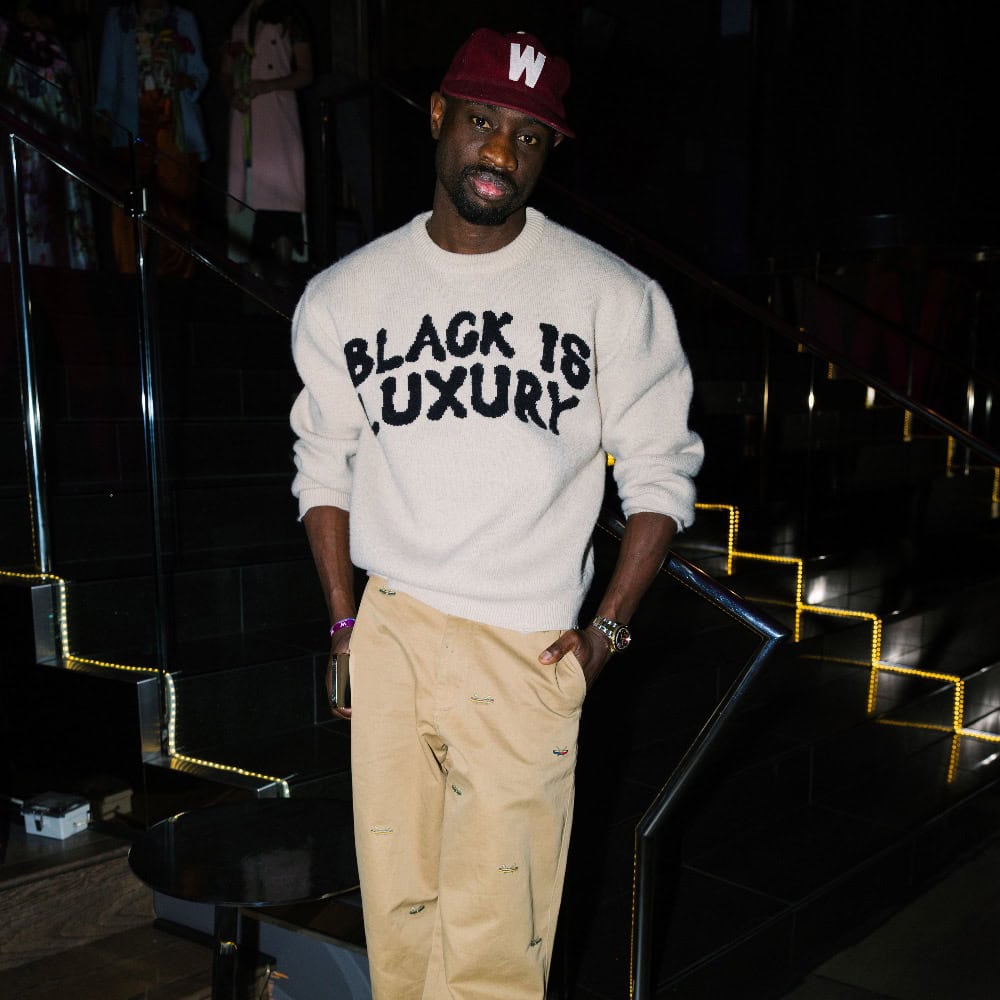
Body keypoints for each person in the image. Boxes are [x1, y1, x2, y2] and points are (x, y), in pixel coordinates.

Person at [289, 27, 704, 999]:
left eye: (528, 137)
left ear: (548, 151)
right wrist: (345, 622)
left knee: (497, 949)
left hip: (527, 644)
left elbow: (662, 476)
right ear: (439, 116)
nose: (500, 153)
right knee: (398, 929)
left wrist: (607, 632)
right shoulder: (345, 295)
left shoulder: (613, 296)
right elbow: (323, 464)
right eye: (482, 122)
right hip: (391, 631)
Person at [94, 0, 209, 277]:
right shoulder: (119, 18)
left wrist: (186, 81)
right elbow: (108, 76)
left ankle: (179, 284)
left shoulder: (182, 18)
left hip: (174, 125)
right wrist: (103, 119)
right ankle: (130, 279)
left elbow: (199, 73)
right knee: (128, 208)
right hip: (132, 124)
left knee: (178, 208)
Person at [220, 0, 312, 285]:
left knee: (282, 198)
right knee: (247, 199)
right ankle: (250, 281)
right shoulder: (237, 19)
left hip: (278, 119)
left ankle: (283, 281)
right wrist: (232, 95)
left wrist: (267, 85)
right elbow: (225, 72)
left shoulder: (290, 17)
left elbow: (306, 72)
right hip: (245, 122)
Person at [0, 0, 97, 269]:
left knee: (64, 197)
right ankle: (25, 263)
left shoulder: (51, 42)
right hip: (21, 135)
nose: (27, 14)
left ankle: (73, 263)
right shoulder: (6, 36)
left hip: (58, 133)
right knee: (25, 195)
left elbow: (70, 87)